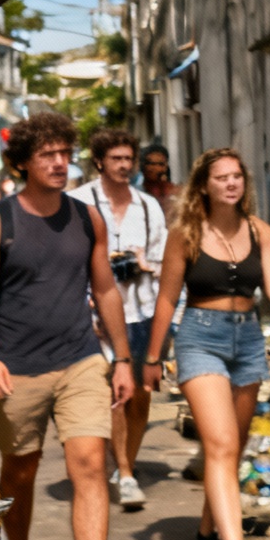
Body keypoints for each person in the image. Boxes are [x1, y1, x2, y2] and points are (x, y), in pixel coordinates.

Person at [0, 112, 134, 540]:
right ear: (23, 163)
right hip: (18, 368)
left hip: (81, 359)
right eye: (47, 155)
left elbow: (104, 289)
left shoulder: (87, 218)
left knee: (90, 464)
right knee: (21, 468)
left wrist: (121, 358)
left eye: (65, 153)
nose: (60, 163)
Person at [144, 148, 270, 540]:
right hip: (201, 338)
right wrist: (152, 356)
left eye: (237, 176)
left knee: (232, 448)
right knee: (219, 444)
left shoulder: (261, 232)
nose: (232, 184)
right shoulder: (185, 234)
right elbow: (166, 298)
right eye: (222, 178)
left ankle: (206, 526)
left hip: (248, 339)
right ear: (204, 186)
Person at [69, 128, 167, 512]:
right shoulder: (78, 202)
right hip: (95, 316)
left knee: (140, 397)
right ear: (99, 162)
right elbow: (70, 263)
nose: (125, 166)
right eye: (117, 159)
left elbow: (164, 261)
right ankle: (125, 472)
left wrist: (144, 264)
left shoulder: (148, 207)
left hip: (140, 312)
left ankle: (126, 461)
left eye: (129, 159)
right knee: (113, 396)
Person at [139, 144, 176, 213]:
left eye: (160, 164)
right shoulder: (136, 194)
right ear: (142, 166)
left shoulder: (175, 194)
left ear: (166, 167)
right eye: (151, 163)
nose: (156, 168)